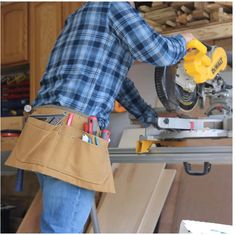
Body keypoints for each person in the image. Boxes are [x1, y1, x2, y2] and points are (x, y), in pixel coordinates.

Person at [6, 2, 195, 233]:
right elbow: (161, 53)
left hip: (44, 128)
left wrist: (152, 117)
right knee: (62, 230)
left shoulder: (78, 16)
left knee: (56, 226)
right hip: (69, 136)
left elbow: (119, 83)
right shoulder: (114, 7)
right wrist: (185, 39)